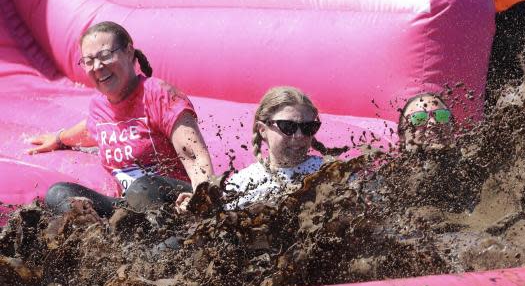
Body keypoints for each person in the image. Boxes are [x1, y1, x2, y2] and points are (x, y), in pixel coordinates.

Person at [27, 21, 214, 217]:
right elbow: (92, 129)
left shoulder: (159, 95)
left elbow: (193, 154)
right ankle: (99, 236)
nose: (97, 66)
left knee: (142, 188)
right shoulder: (99, 106)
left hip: (176, 200)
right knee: (59, 194)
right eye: (88, 61)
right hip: (129, 209)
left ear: (129, 52)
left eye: (105, 56)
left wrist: (202, 200)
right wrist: (59, 139)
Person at [189, 86, 342, 211]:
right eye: (288, 126)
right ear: (262, 130)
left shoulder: (333, 173)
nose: (299, 135)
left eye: (308, 127)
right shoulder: (242, 184)